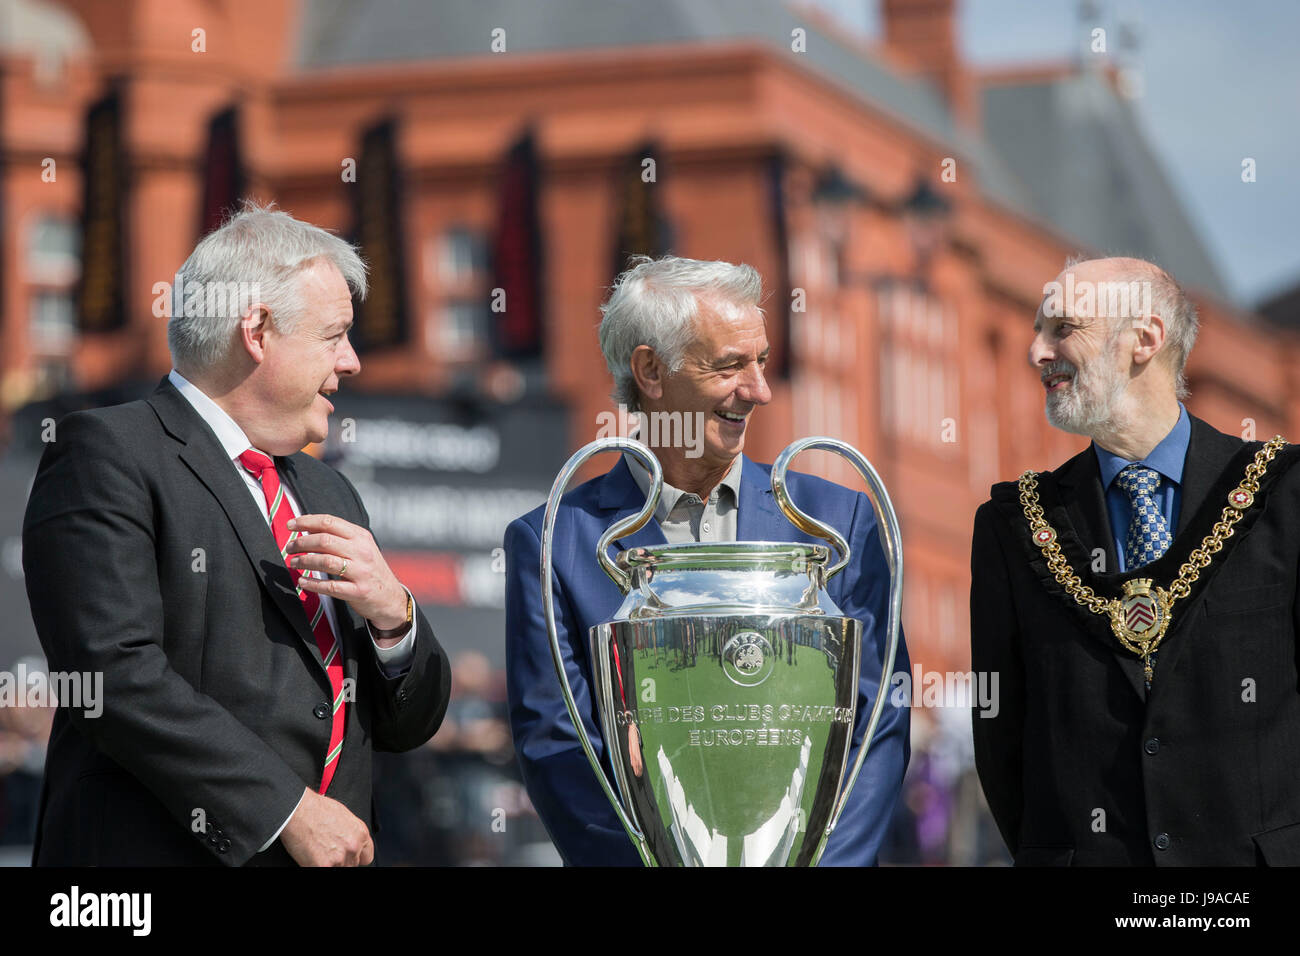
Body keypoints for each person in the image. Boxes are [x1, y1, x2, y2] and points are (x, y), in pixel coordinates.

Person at [22, 203, 451, 866]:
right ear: (257, 331)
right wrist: (289, 810)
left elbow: (403, 726)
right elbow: (112, 676)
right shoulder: (108, 454)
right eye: (335, 335)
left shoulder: (326, 491)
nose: (354, 361)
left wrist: (396, 619)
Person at [505, 255, 910, 865]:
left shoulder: (839, 523)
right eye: (728, 366)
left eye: (761, 362)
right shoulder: (552, 543)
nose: (759, 391)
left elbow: (879, 721)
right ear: (650, 370)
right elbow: (560, 748)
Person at [971, 256, 1300, 866]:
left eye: (1062, 328)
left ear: (1144, 339)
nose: (1036, 352)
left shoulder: (1284, 496)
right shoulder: (1014, 524)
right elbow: (1001, 739)